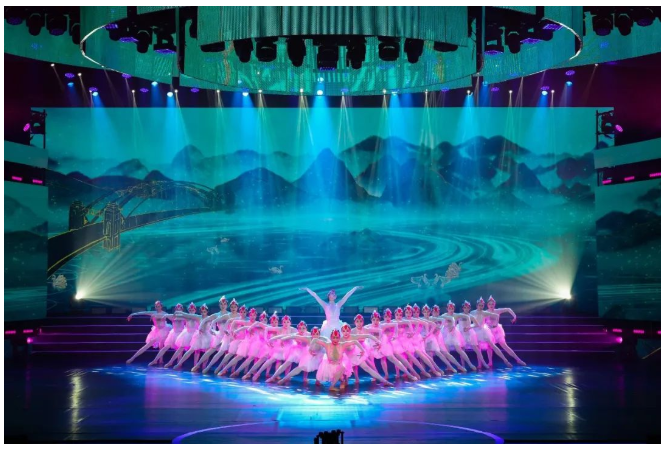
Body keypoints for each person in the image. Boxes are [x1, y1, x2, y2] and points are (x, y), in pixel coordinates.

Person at [364, 310, 418, 381]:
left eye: (377, 320)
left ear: (379, 320)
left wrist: (395, 335)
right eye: (374, 320)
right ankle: (377, 376)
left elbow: (395, 324)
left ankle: (409, 374)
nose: (375, 321)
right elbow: (362, 330)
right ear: (371, 320)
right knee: (370, 360)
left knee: (394, 359)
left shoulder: (382, 325)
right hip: (372, 346)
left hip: (383, 345)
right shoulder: (368, 326)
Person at [470, 297, 513, 368]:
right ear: (477, 305)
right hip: (475, 331)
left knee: (493, 346)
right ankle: (479, 364)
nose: (481, 307)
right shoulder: (472, 312)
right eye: (479, 305)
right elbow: (469, 319)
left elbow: (496, 315)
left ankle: (505, 360)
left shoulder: (484, 312)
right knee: (478, 349)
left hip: (483, 331)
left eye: (482, 305)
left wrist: (495, 324)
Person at [191, 296, 230, 372]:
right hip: (219, 336)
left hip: (227, 336)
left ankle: (224, 369)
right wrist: (204, 328)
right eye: (221, 304)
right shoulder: (216, 315)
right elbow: (205, 320)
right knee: (210, 351)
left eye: (224, 304)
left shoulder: (229, 314)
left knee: (227, 352)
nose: (223, 305)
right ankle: (198, 365)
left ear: (227, 305)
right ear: (219, 305)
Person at [485, 296, 527, 366]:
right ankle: (490, 362)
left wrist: (514, 316)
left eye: (492, 304)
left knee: (505, 346)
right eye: (489, 304)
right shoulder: (485, 312)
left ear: (494, 304)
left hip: (497, 331)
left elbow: (508, 309)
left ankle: (518, 360)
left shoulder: (497, 311)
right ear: (487, 305)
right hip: (489, 331)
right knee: (489, 347)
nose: (491, 305)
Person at [174, 304, 211, 369]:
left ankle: (204, 366)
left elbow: (212, 326)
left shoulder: (210, 318)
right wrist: (178, 312)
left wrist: (213, 331)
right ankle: (179, 363)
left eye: (204, 312)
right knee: (191, 350)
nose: (203, 313)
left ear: (207, 311)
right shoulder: (198, 317)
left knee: (207, 352)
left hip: (207, 337)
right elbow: (187, 315)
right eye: (202, 312)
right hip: (199, 336)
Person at [459, 300, 490, 369]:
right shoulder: (460, 315)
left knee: (476, 349)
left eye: (468, 308)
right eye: (465, 307)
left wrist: (470, 327)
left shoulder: (471, 316)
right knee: (462, 350)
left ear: (469, 308)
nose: (466, 309)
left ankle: (484, 363)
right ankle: (463, 365)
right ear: (463, 308)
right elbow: (454, 321)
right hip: (462, 334)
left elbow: (476, 324)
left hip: (470, 333)